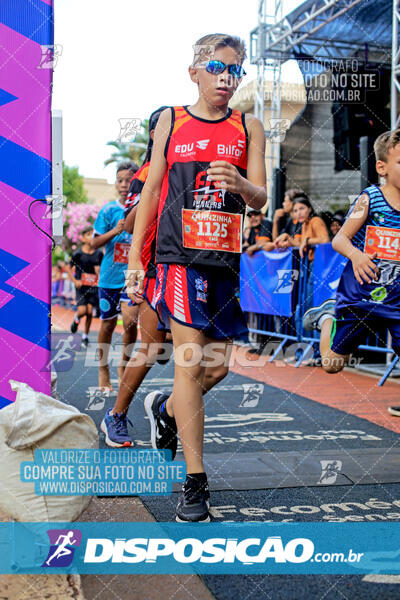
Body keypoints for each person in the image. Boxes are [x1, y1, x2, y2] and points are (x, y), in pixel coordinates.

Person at [126, 33, 267, 522]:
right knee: (188, 364)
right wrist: (135, 261)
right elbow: (150, 191)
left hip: (224, 260)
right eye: (217, 68)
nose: (226, 78)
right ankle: (195, 483)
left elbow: (261, 197)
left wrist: (241, 183)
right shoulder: (171, 119)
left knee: (218, 368)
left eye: (235, 71)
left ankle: (165, 412)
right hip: (176, 258)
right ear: (194, 72)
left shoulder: (250, 126)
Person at [302, 129, 400, 415]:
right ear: (381, 167)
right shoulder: (370, 198)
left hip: (395, 300)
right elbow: (339, 239)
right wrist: (357, 256)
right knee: (333, 364)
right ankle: (327, 318)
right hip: (360, 297)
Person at [100, 106, 171, 447]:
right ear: (154, 134)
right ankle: (116, 414)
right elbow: (128, 224)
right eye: (167, 127)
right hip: (152, 267)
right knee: (149, 347)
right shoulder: (145, 173)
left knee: (203, 356)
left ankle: (166, 409)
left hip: (188, 266)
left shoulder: (189, 167)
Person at [91, 161, 140, 391]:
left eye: (128, 180)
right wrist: (116, 230)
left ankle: (124, 364)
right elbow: (93, 243)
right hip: (109, 277)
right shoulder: (109, 211)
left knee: (130, 322)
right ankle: (103, 368)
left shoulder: (142, 207)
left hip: (132, 276)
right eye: (119, 180)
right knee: (108, 324)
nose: (123, 185)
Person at [66, 226, 103, 346]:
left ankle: (85, 336)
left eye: (93, 234)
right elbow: (68, 268)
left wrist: (99, 272)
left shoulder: (98, 253)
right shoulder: (78, 253)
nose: (91, 237)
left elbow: (102, 269)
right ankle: (76, 319)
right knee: (82, 311)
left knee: (90, 312)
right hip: (81, 287)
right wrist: (75, 281)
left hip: (93, 287)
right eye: (88, 234)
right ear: (82, 238)